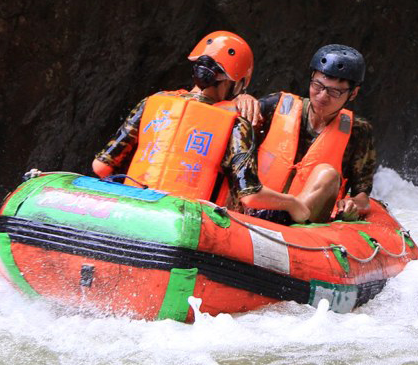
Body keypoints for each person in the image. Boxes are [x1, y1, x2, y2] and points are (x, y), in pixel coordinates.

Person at [91, 31, 314, 222]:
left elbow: (101, 166)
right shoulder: (236, 123)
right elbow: (250, 195)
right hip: (184, 221)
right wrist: (292, 203)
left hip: (129, 206)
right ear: (238, 83)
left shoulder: (153, 102)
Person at [237, 44, 377, 225]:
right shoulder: (276, 105)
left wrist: (353, 204)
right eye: (318, 85)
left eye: (334, 91)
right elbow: (234, 132)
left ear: (353, 93)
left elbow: (363, 197)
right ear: (311, 78)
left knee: (327, 174)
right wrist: (241, 98)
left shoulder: (359, 131)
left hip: (304, 223)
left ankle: (283, 220)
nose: (322, 96)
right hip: (254, 207)